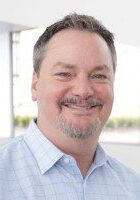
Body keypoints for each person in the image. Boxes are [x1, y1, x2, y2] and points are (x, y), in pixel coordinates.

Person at [0, 13, 140, 200]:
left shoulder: (133, 187)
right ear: (35, 85)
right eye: (65, 73)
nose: (83, 91)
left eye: (99, 76)